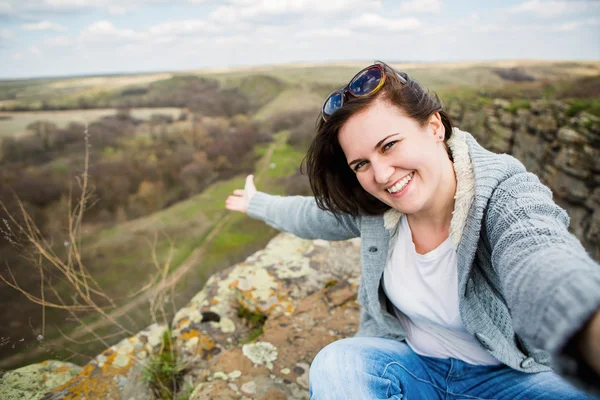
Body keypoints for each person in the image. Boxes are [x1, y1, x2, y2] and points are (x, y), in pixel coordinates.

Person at [225, 62, 600, 399]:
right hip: (413, 370)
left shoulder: (506, 193)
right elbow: (311, 214)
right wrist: (257, 203)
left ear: (434, 127)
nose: (382, 175)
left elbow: (539, 257)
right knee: (338, 365)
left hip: (512, 382)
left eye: (389, 145)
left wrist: (587, 325)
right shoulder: (376, 210)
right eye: (361, 164)